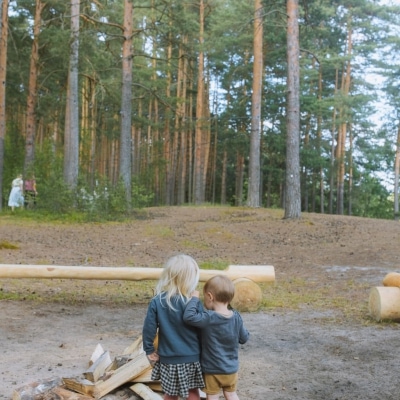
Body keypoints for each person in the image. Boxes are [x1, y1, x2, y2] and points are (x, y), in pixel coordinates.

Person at [142, 254, 205, 400]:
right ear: (191, 278)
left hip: (168, 358)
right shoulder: (194, 303)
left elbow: (149, 328)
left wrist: (149, 349)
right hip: (192, 357)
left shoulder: (157, 302)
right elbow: (203, 329)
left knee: (170, 394)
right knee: (193, 393)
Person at [183, 275, 250, 400]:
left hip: (212, 369)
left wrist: (194, 299)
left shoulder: (208, 317)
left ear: (210, 296)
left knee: (213, 396)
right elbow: (244, 338)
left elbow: (189, 317)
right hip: (231, 369)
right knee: (231, 394)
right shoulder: (236, 317)